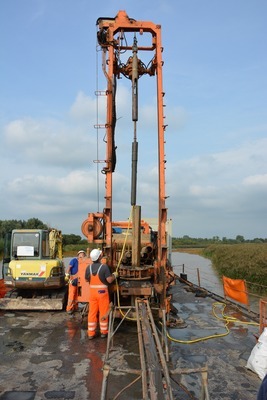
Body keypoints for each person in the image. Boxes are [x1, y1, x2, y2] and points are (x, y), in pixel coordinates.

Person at [85, 248, 118, 339]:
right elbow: (109, 280)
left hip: (92, 294)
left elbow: (86, 279)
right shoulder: (104, 267)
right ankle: (103, 332)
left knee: (92, 312)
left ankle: (91, 333)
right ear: (99, 257)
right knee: (103, 312)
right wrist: (115, 275)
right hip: (102, 294)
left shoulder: (89, 268)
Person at [66, 250, 86, 314]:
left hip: (80, 282)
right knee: (72, 295)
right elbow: (69, 267)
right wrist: (67, 275)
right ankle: (69, 308)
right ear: (78, 256)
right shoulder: (74, 260)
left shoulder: (84, 263)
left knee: (77, 295)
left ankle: (75, 307)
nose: (81, 258)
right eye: (80, 256)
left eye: (83, 256)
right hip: (73, 280)